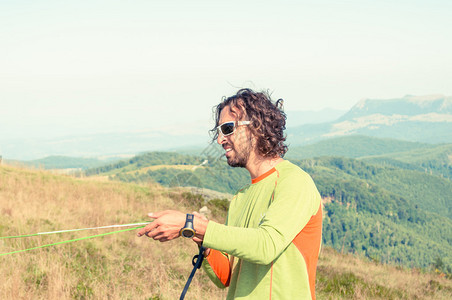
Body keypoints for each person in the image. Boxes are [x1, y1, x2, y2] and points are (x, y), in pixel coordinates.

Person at [137, 88, 322, 299]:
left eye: (227, 129)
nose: (219, 140)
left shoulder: (294, 182)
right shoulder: (240, 198)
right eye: (218, 132)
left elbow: (266, 246)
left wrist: (195, 225)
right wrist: (203, 241)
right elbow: (226, 277)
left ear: (257, 128)